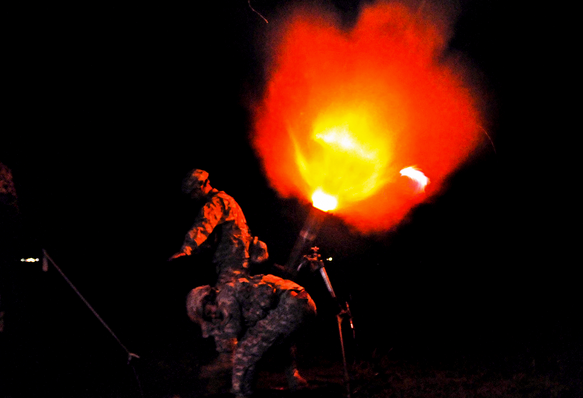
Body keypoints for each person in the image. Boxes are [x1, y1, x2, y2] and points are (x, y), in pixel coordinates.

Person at [187, 274, 317, 398]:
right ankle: (295, 380)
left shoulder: (224, 298)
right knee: (279, 341)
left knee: (244, 351)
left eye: (210, 312)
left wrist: (211, 369)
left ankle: (242, 394)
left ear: (209, 298)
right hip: (305, 303)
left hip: (290, 306)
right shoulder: (231, 289)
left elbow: (233, 333)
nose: (214, 317)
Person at [169, 169, 252, 285]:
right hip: (236, 258)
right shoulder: (225, 200)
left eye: (193, 193)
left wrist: (186, 249)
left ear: (200, 187)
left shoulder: (217, 202)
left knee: (225, 295)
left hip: (231, 260)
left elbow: (203, 225)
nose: (193, 198)